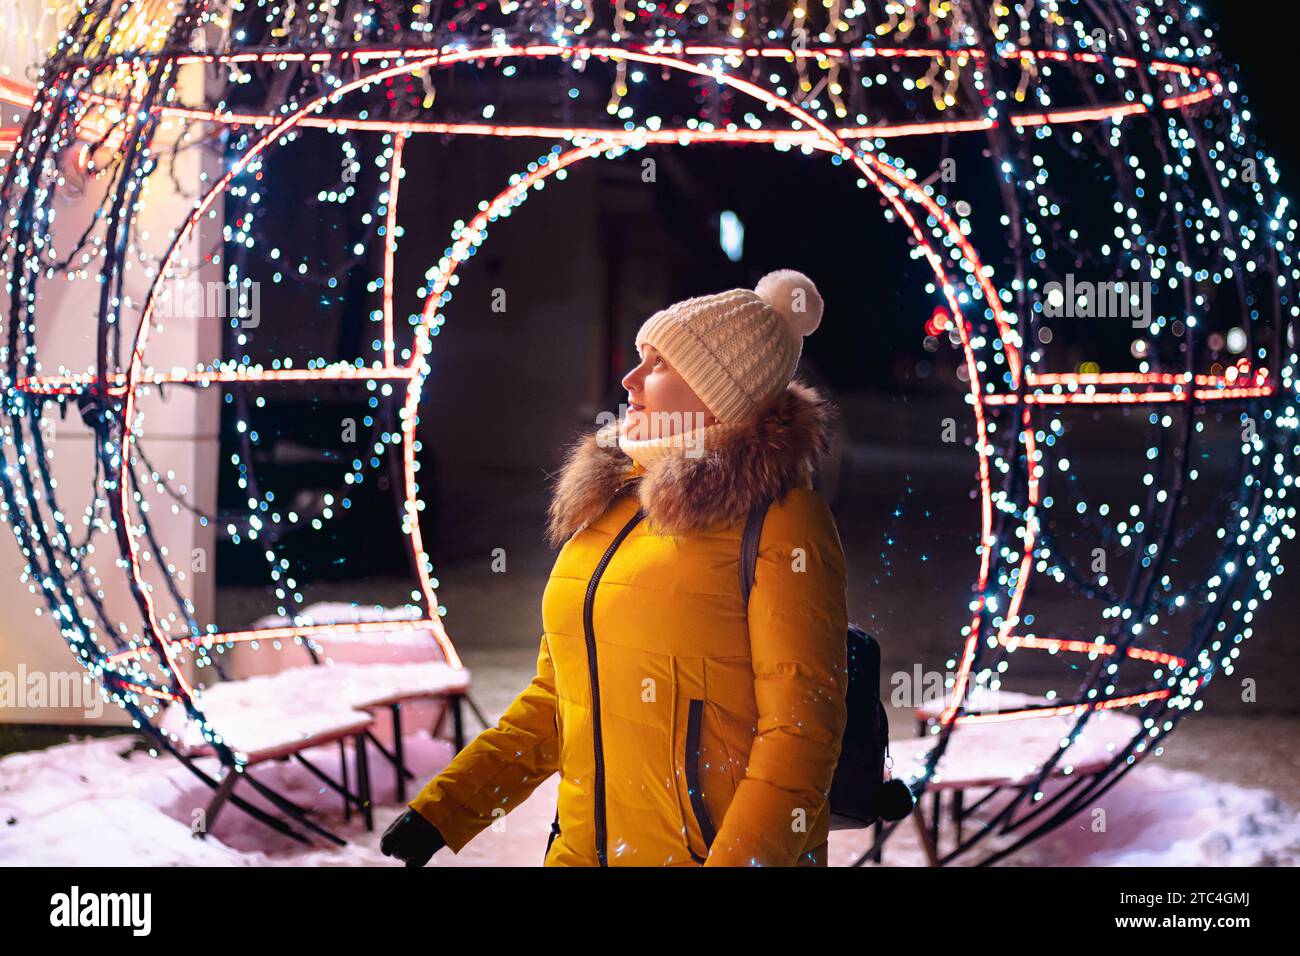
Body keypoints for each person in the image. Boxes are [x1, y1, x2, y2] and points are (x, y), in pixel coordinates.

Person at [382, 269, 849, 866]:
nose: (629, 380)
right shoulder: (609, 505)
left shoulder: (782, 521)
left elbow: (801, 738)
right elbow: (558, 699)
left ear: (719, 391)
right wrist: (446, 809)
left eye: (657, 364)